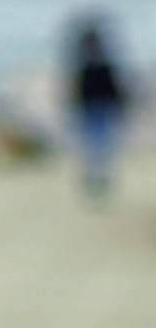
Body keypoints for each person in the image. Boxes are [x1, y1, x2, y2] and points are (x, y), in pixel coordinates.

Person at [67, 13, 130, 200]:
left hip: (98, 109)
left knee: (98, 147)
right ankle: (96, 179)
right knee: (95, 148)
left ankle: (98, 179)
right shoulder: (91, 67)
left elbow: (113, 89)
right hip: (93, 109)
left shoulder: (96, 66)